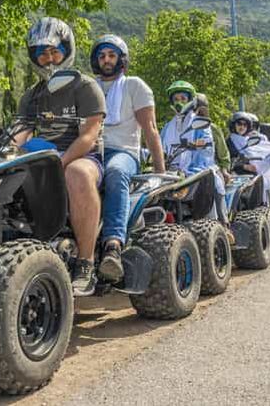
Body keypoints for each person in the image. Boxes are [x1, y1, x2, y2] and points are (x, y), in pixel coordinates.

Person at [14, 17, 105, 296]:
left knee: (75, 173)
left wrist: (60, 162)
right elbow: (20, 133)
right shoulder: (32, 96)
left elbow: (89, 136)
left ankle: (86, 262)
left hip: (85, 158)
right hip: (41, 158)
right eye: (42, 53)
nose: (49, 59)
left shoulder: (85, 86)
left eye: (54, 51)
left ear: (67, 51)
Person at [90, 34, 165, 283]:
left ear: (121, 59)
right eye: (101, 56)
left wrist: (159, 171)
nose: (106, 60)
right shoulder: (89, 87)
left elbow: (150, 129)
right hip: (91, 150)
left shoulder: (135, 86)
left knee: (115, 172)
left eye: (111, 55)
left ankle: (113, 245)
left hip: (124, 152)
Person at [161, 81, 227, 222]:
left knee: (213, 180)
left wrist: (200, 144)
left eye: (183, 99)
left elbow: (207, 147)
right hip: (171, 172)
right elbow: (160, 147)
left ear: (191, 100)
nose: (179, 102)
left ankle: (222, 223)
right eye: (176, 99)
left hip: (196, 169)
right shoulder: (167, 127)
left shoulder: (200, 123)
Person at [194, 93, 231, 177]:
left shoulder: (212, 129)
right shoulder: (176, 128)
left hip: (209, 172)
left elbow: (223, 155)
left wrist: (224, 171)